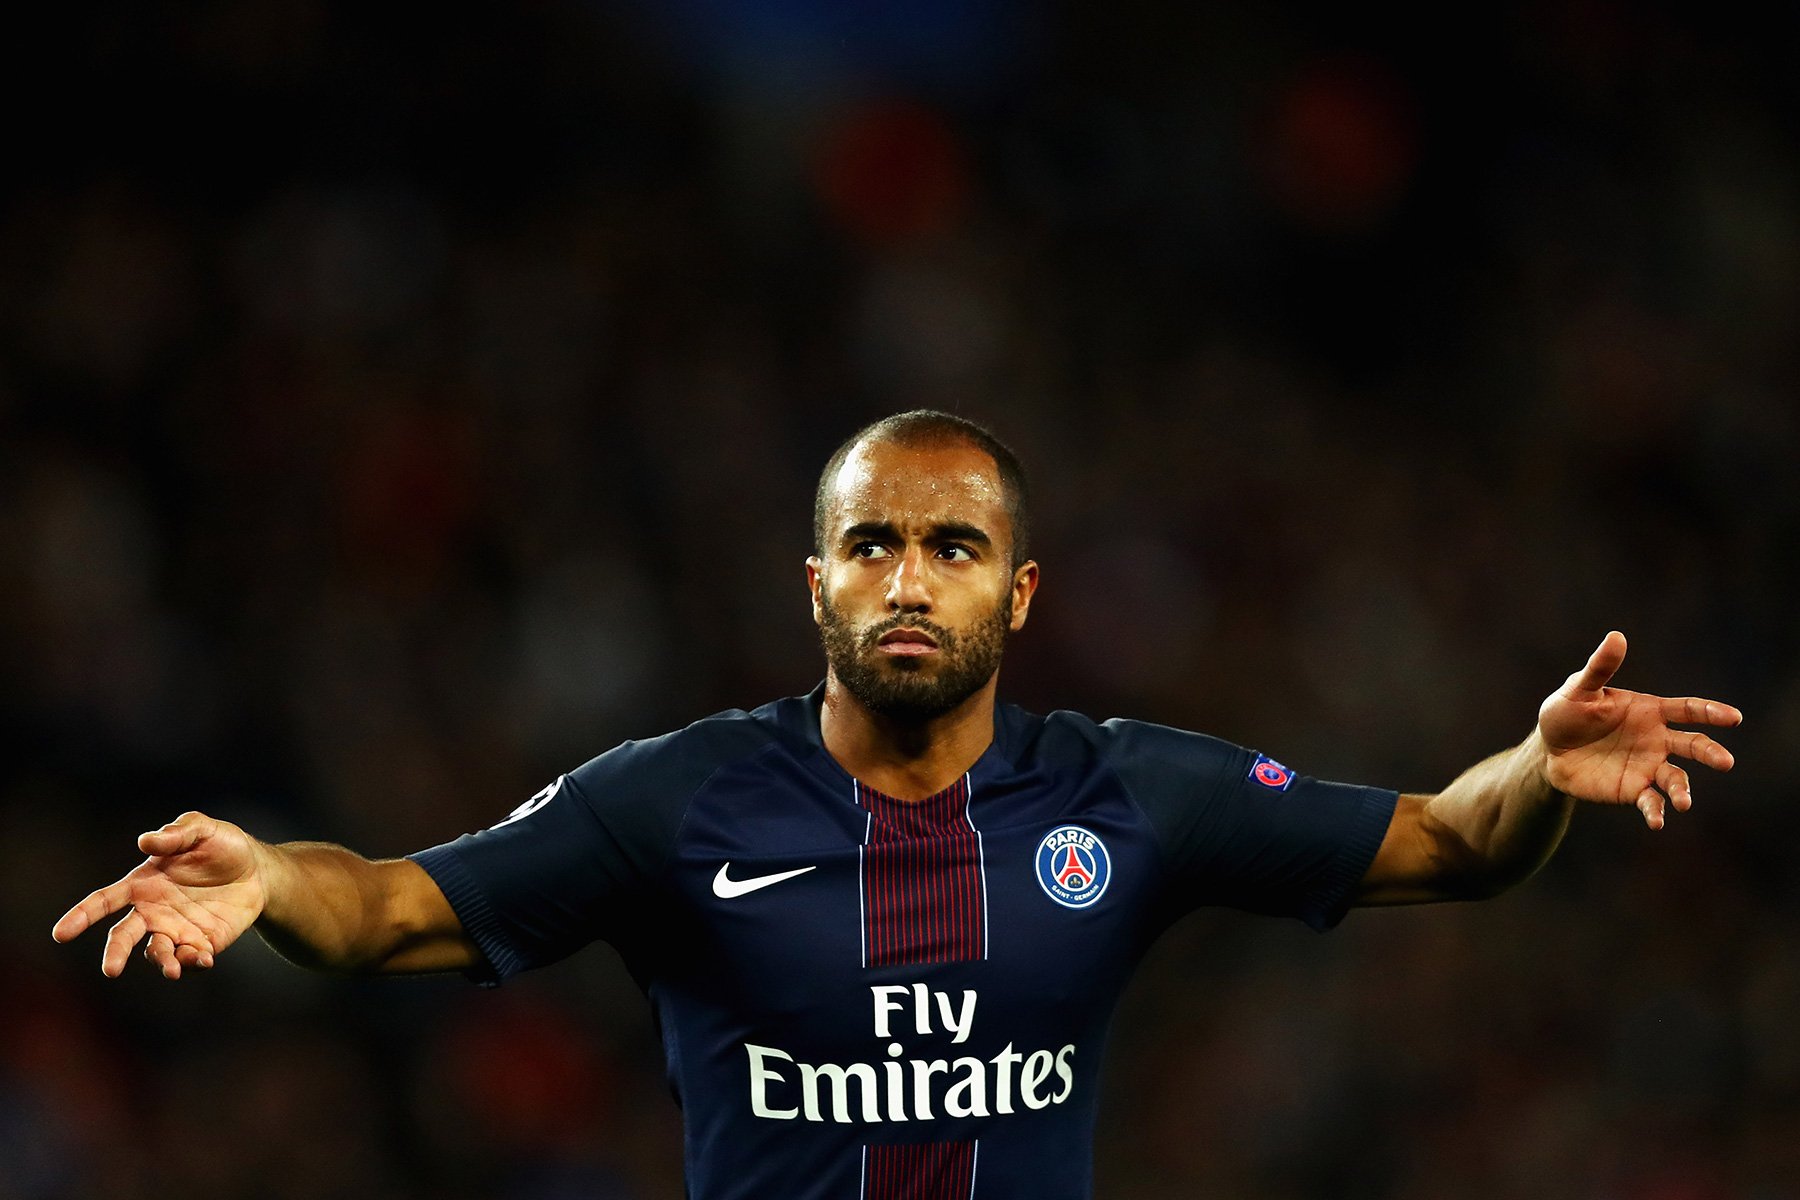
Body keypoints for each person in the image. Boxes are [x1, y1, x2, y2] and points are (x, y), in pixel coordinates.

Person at [53, 410, 1740, 1200]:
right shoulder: (683, 800)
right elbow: (392, 908)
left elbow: (1453, 843)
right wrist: (270, 877)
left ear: (1020, 591)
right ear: (817, 586)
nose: (910, 579)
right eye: (872, 544)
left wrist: (1540, 768)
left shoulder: (1124, 795)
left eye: (953, 546)